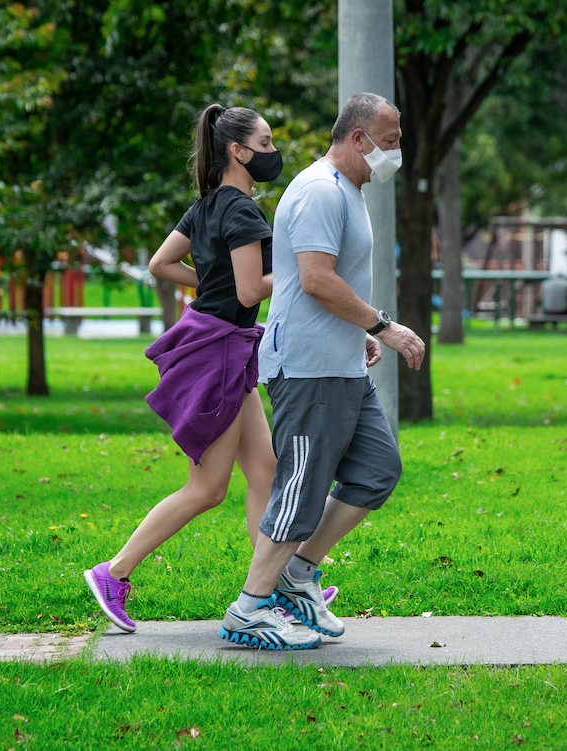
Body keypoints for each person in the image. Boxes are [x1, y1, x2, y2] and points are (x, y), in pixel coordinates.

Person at [83, 104, 335, 634]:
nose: (273, 152)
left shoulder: (204, 207)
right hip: (219, 350)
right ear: (238, 151)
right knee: (207, 488)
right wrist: (298, 273)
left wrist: (210, 283)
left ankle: (271, 588)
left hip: (226, 344)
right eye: (265, 143)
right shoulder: (242, 211)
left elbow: (161, 265)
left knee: (264, 471)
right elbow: (249, 290)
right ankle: (114, 572)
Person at [218, 93, 425, 650]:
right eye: (390, 142)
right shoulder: (318, 192)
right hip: (308, 369)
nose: (396, 152)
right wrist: (384, 326)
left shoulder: (348, 192)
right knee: (302, 488)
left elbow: (323, 284)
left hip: (340, 366)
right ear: (358, 139)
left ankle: (299, 573)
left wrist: (356, 333)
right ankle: (249, 609)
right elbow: (314, 278)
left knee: (377, 470)